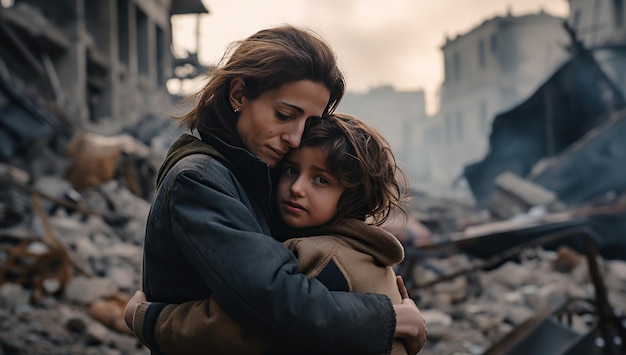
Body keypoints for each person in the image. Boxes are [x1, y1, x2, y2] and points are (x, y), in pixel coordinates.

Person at [131, 25, 426, 354]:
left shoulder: (251, 176)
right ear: (239, 95)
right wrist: (387, 319)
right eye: (285, 115)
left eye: (308, 124)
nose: (296, 139)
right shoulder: (201, 179)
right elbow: (274, 300)